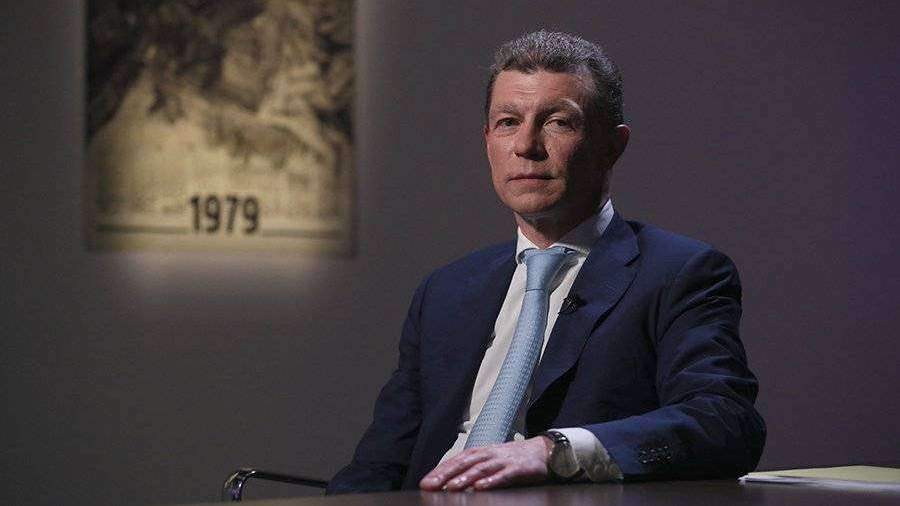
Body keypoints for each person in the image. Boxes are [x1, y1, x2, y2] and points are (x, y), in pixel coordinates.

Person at [326, 30, 765, 494]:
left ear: (613, 145)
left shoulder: (679, 274)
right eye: (508, 122)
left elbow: (724, 422)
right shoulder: (446, 291)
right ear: (488, 141)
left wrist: (554, 451)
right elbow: (379, 464)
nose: (526, 145)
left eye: (557, 122)